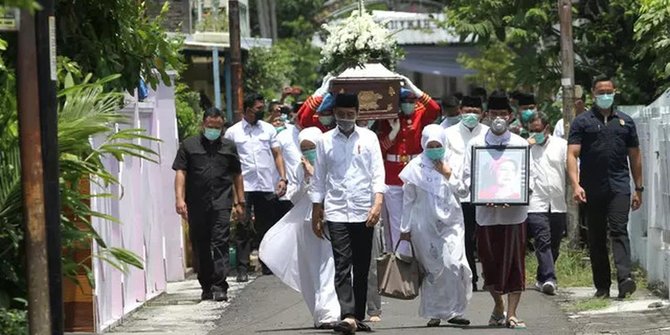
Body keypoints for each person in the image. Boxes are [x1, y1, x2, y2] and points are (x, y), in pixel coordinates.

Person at [311, 93, 386, 334]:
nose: (345, 119)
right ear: (334, 114)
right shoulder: (324, 141)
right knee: (342, 263)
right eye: (341, 115)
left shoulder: (369, 137)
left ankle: (359, 314)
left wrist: (377, 203)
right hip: (336, 211)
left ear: (357, 114)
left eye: (350, 115)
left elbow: (378, 173)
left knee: (362, 264)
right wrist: (316, 210)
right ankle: (348, 314)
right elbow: (319, 177)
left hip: (364, 209)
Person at [567, 75, 643, 299]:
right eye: (600, 92)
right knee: (597, 236)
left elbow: (635, 156)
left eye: (609, 91)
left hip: (619, 185)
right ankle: (602, 286)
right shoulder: (582, 122)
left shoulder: (625, 122)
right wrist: (576, 185)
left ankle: (625, 278)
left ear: (615, 91)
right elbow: (572, 154)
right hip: (591, 188)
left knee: (619, 229)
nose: (605, 95)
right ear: (593, 94)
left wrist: (639, 188)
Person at [259, 127, 340, 329]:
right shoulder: (298, 166)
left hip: (328, 220)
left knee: (328, 267)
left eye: (311, 147)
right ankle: (319, 314)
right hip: (306, 223)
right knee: (312, 269)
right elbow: (294, 197)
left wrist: (315, 175)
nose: (308, 152)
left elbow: (335, 190)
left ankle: (330, 313)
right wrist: (305, 179)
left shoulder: (331, 163)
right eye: (304, 148)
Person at [462, 92, 529, 329]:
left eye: (503, 114)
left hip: (514, 215)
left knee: (514, 264)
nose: (499, 118)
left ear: (510, 116)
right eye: (494, 114)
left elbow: (527, 180)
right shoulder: (476, 144)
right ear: (487, 116)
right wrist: (482, 196)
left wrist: (517, 195)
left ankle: (511, 313)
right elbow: (468, 178)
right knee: (490, 265)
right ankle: (498, 305)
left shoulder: (521, 145)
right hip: (486, 215)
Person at [398, 125, 472, 327]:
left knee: (453, 264)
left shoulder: (453, 163)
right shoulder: (415, 168)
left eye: (437, 145)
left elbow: (464, 192)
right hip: (423, 225)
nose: (434, 148)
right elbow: (408, 201)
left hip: (452, 223)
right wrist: (404, 230)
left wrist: (448, 174)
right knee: (433, 270)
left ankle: (455, 310)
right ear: (423, 144)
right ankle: (434, 313)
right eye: (430, 145)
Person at [172, 107, 246, 302]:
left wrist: (240, 201)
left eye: (218, 127)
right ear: (203, 125)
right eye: (210, 126)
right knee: (201, 244)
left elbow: (237, 174)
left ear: (223, 127)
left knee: (221, 241)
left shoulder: (229, 147)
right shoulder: (188, 145)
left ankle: (220, 285)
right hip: (196, 203)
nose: (214, 130)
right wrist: (179, 199)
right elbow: (181, 172)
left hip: (222, 201)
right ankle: (206, 284)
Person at [224, 93, 289, 281]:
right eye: (259, 108)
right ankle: (243, 268)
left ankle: (267, 264)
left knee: (267, 225)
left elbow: (277, 154)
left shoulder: (268, 130)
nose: (262, 111)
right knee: (243, 225)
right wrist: (234, 192)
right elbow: (229, 163)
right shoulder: (233, 133)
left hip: (266, 184)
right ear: (247, 109)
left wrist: (282, 178)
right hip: (244, 185)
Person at [377, 76, 441, 256]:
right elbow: (380, 147)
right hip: (393, 174)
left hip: (415, 172)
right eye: (404, 101)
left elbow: (435, 109)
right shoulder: (388, 115)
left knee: (418, 216)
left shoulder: (420, 112)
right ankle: (400, 256)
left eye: (411, 101)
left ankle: (420, 255)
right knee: (396, 220)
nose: (408, 104)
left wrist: (413, 87)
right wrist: (393, 133)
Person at [443, 95, 489, 291]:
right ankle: (471, 277)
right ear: (460, 111)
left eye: (476, 112)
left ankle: (491, 277)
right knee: (466, 238)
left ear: (483, 114)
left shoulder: (488, 134)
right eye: (467, 111)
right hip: (458, 194)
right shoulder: (448, 133)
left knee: (485, 239)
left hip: (486, 194)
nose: (471, 115)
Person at [526, 111, 568, 296]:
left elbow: (572, 167)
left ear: (547, 128)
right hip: (536, 202)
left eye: (538, 130)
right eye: (532, 131)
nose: (535, 134)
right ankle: (551, 278)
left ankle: (541, 277)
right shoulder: (526, 148)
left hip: (558, 202)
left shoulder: (562, 145)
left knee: (555, 244)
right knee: (543, 241)